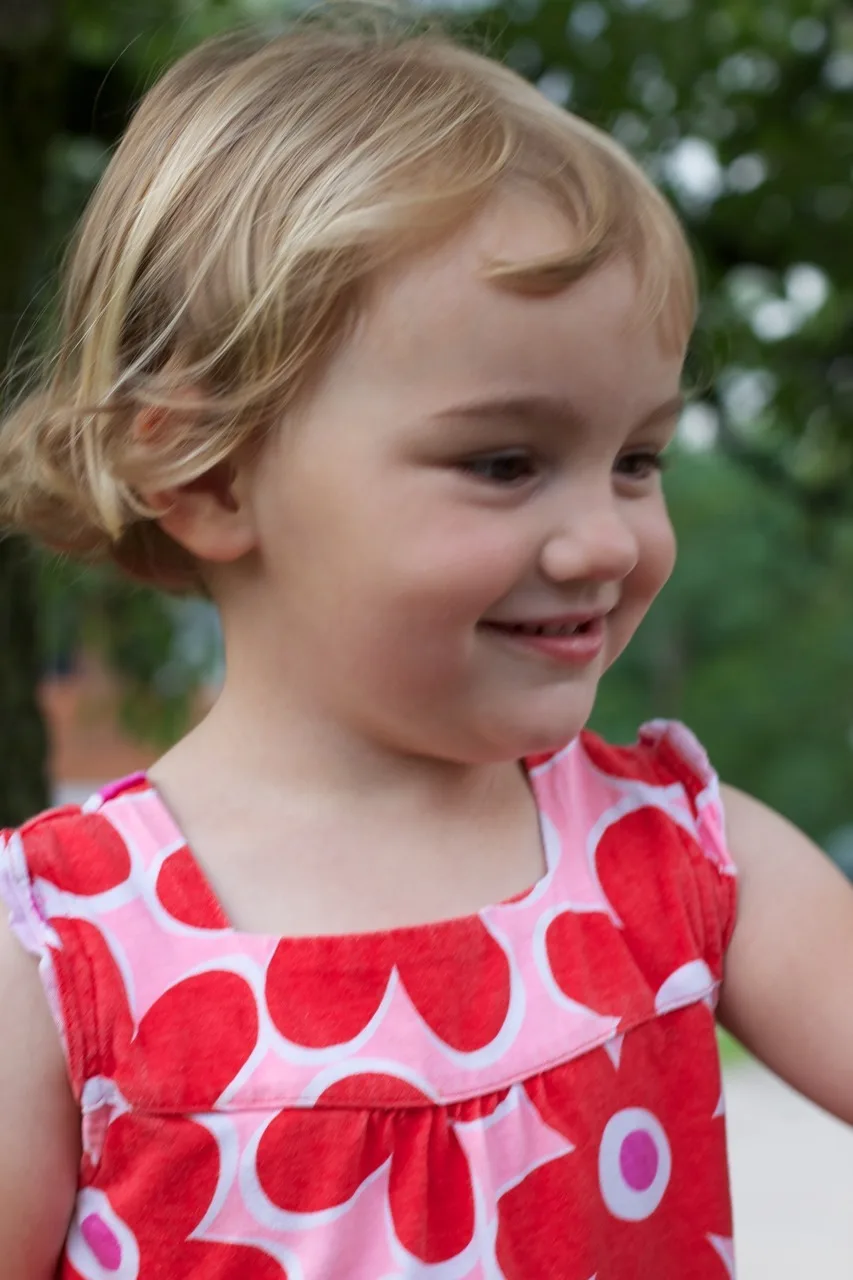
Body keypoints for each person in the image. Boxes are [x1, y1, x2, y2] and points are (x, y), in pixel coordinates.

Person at [0, 8, 851, 1278]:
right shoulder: (62, 951)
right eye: (504, 462)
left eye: (635, 458)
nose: (605, 540)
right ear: (210, 474)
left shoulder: (677, 857)